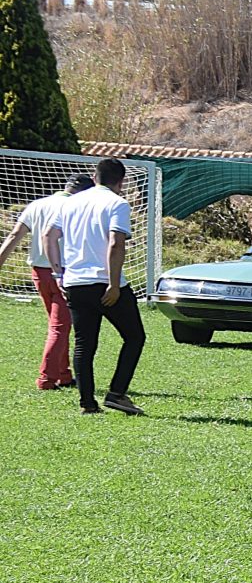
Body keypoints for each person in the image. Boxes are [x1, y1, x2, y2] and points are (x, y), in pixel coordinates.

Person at [46, 157, 145, 415]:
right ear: (121, 182)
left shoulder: (71, 202)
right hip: (104, 282)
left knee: (84, 343)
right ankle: (116, 393)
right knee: (134, 337)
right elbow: (115, 243)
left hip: (76, 282)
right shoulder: (117, 203)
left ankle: (87, 403)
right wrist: (113, 284)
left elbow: (49, 235)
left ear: (94, 175)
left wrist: (59, 273)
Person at [0, 175, 83, 390]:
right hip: (62, 273)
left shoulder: (37, 204)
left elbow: (14, 235)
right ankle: (46, 379)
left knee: (58, 325)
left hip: (38, 272)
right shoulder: (75, 206)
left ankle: (64, 374)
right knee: (60, 327)